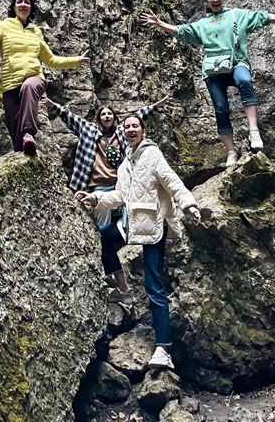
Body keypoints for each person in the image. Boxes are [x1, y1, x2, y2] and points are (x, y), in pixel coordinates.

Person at [78, 112, 201, 372]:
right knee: (104, 238)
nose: (130, 129)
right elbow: (119, 196)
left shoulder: (152, 155)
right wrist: (93, 199)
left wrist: (188, 203)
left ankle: (164, 348)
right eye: (127, 127)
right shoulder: (125, 165)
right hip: (133, 226)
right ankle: (124, 290)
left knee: (154, 285)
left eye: (135, 125)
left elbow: (171, 181)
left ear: (143, 131)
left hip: (153, 225)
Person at [141, 0, 275, 165]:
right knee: (221, 108)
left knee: (245, 80)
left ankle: (253, 131)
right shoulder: (202, 24)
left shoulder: (236, 15)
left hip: (236, 62)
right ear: (207, 1)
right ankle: (231, 151)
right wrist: (159, 23)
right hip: (213, 70)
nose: (215, 0)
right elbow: (181, 31)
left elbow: (264, 17)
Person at [44, 94, 173, 302]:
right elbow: (70, 117)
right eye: (103, 114)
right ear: (98, 119)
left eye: (110, 114)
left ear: (114, 118)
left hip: (123, 186)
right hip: (100, 187)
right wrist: (54, 105)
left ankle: (118, 271)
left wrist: (157, 105)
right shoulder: (89, 131)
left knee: (129, 225)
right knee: (101, 231)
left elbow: (139, 116)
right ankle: (111, 271)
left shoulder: (122, 132)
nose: (106, 116)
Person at [0, 0, 89, 156]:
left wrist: (77, 60)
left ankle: (29, 132)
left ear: (31, 7)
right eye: (19, 2)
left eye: (27, 2)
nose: (23, 5)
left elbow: (51, 60)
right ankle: (23, 157)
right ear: (13, 7)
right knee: (16, 137)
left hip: (34, 79)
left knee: (29, 87)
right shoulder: (3, 26)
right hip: (10, 84)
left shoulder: (36, 32)